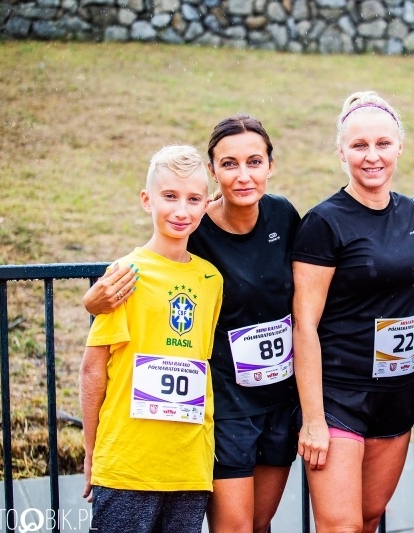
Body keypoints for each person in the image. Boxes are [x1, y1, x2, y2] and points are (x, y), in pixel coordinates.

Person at [83, 116, 300, 533]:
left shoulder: (276, 222)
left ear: (271, 165)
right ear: (214, 172)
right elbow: (98, 359)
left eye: (254, 162)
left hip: (257, 413)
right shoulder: (175, 245)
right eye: (229, 164)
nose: (243, 175)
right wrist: (92, 302)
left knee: (259, 523)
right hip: (204, 418)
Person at [291, 90, 414, 533]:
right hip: (340, 396)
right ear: (341, 152)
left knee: (369, 518)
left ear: (400, 147)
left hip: (396, 395)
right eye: (359, 145)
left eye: (383, 144)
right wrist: (313, 419)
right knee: (341, 526)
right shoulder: (324, 222)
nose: (372, 156)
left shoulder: (411, 211)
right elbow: (304, 324)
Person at [79, 145, 223, 533]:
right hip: (128, 464)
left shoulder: (211, 280)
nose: (181, 210)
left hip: (188, 466)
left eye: (193, 199)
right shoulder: (124, 273)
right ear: (147, 200)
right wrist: (92, 452)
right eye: (170, 196)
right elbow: (93, 370)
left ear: (206, 205)